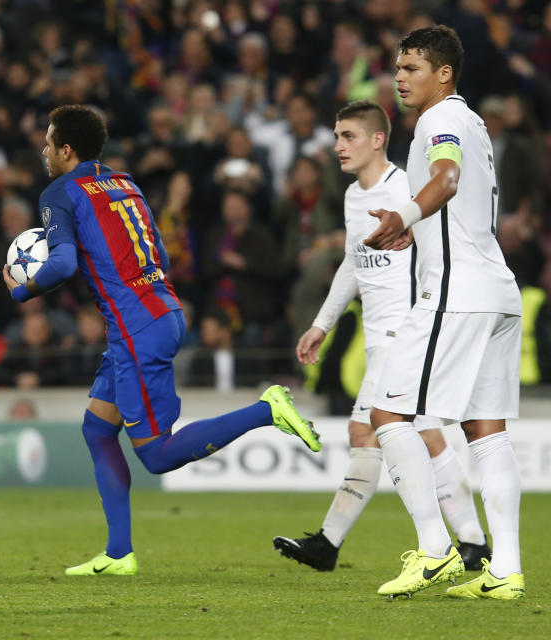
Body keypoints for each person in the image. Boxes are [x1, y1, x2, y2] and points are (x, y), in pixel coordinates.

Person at [1, 104, 322, 576]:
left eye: (49, 143)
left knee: (154, 453)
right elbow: (162, 255)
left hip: (136, 327)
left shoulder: (60, 192)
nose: (44, 150)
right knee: (97, 429)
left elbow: (64, 263)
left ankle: (267, 409)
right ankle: (117, 554)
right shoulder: (126, 183)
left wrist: (22, 288)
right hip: (159, 309)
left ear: (66, 150)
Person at [272, 100, 489, 572]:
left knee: (374, 429)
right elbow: (354, 263)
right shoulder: (353, 197)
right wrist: (322, 324)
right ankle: (471, 543)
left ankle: (341, 543)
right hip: (378, 334)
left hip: (408, 329)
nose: (337, 146)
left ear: (376, 139)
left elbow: (443, 245)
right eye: (335, 137)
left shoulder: (408, 188)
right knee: (420, 433)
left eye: (347, 136)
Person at [364, 26, 524, 599]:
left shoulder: (440, 121)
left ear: (443, 74)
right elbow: (460, 199)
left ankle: (435, 551)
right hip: (496, 290)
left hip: (457, 294)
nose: (399, 78)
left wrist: (403, 217)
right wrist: (420, 228)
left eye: (411, 68)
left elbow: (448, 180)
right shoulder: (473, 121)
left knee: (387, 414)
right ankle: (505, 571)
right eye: (398, 67)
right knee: (486, 433)